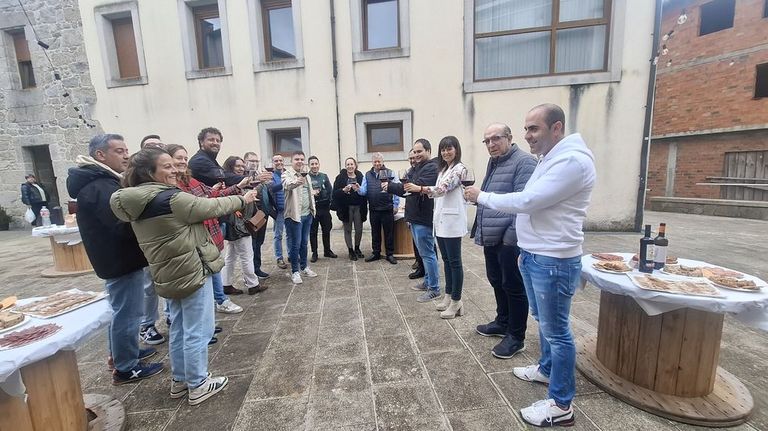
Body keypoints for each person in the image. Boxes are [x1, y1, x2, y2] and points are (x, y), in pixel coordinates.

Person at [465, 104, 596, 428]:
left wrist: (482, 196)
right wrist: (527, 248)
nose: (528, 136)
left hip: (554, 260)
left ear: (557, 128)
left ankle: (561, 405)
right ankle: (546, 369)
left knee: (558, 331)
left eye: (533, 129)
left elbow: (527, 201)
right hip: (538, 254)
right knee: (544, 321)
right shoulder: (549, 159)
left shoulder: (572, 162)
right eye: (526, 129)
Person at [111, 148, 259, 405]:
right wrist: (242, 198)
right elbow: (210, 206)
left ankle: (181, 380)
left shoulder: (136, 200)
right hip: (190, 269)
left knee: (179, 327)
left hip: (168, 272)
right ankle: (199, 383)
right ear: (149, 172)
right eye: (167, 166)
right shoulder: (170, 198)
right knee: (198, 330)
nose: (174, 170)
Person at [66, 134, 163, 384]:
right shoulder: (100, 186)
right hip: (119, 260)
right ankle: (126, 367)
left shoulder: (103, 181)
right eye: (119, 151)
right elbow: (120, 225)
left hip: (118, 258)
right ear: (100, 155)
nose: (126, 155)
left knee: (123, 311)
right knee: (127, 314)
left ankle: (122, 353)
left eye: (126, 150)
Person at [470, 123, 537, 360]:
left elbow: (523, 204)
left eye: (496, 138)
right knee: (496, 280)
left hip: (509, 240)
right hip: (491, 235)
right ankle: (502, 321)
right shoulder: (494, 162)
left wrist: (511, 240)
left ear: (509, 138)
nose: (491, 144)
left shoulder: (525, 162)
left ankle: (516, 337)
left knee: (514, 286)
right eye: (486, 140)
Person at [166, 144, 247, 316]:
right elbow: (205, 206)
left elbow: (213, 195)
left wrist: (238, 187)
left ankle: (217, 303)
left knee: (214, 267)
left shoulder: (191, 181)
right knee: (200, 286)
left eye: (185, 158)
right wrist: (241, 199)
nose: (182, 161)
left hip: (208, 236)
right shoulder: (170, 187)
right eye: (178, 158)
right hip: (191, 242)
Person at [385, 139, 439, 302]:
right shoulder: (416, 168)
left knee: (428, 254)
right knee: (423, 253)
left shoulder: (431, 167)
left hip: (423, 218)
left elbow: (412, 188)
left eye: (419, 151)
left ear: (428, 151)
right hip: (415, 216)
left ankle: (434, 289)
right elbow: (407, 190)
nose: (416, 155)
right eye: (414, 152)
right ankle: (428, 281)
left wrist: (389, 186)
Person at [423, 137, 468, 318]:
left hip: (452, 221)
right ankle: (449, 296)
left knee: (455, 262)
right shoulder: (443, 169)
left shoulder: (460, 169)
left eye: (449, 149)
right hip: (441, 221)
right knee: (447, 261)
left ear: (456, 150)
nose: (445, 152)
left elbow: (443, 189)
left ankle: (457, 301)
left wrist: (422, 189)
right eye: (442, 149)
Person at [221, 156, 266, 295]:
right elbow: (242, 203)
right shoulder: (233, 185)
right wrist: (261, 184)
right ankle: (253, 285)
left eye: (242, 166)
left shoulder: (231, 183)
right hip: (239, 225)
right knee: (246, 255)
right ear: (230, 167)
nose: (241, 168)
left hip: (232, 225)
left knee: (230, 256)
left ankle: (226, 284)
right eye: (237, 166)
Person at [282, 151, 317, 284]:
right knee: (295, 245)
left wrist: (313, 209)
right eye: (297, 159)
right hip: (294, 216)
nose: (300, 161)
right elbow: (287, 185)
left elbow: (309, 193)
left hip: (307, 214)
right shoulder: (287, 174)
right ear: (291, 161)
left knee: (304, 243)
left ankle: (304, 267)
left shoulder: (306, 175)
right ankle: (295, 271)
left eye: (302, 159)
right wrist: (298, 181)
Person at [358, 153, 399, 264]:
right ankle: (376, 252)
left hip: (387, 208)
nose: (377, 164)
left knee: (389, 233)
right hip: (374, 209)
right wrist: (358, 189)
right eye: (375, 161)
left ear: (382, 161)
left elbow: (396, 190)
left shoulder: (390, 173)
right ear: (372, 162)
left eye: (379, 161)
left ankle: (390, 254)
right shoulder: (367, 174)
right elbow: (364, 191)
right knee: (375, 232)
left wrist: (395, 205)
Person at [243, 152, 273, 278]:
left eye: (256, 161)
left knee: (259, 242)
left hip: (262, 215)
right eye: (251, 161)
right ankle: (249, 275)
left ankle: (257, 268)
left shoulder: (259, 175)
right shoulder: (244, 177)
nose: (254, 163)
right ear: (245, 162)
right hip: (252, 216)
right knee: (251, 245)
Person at [332, 158, 367, 261]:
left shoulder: (361, 177)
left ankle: (357, 248)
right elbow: (334, 193)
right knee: (347, 230)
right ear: (345, 166)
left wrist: (359, 189)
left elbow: (365, 191)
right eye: (348, 164)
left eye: (351, 164)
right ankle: (350, 250)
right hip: (346, 207)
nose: (350, 166)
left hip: (359, 207)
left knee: (359, 229)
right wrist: (343, 190)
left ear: (355, 165)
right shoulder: (340, 178)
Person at [307, 156, 337, 262]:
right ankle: (314, 253)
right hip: (313, 209)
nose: (314, 166)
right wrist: (312, 193)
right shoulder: (306, 177)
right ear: (309, 165)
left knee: (326, 230)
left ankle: (327, 251)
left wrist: (329, 203)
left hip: (324, 208)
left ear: (319, 164)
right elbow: (304, 192)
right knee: (313, 232)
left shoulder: (324, 176)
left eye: (316, 164)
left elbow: (330, 190)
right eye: (312, 164)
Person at [405, 150, 425, 280]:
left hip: (422, 215)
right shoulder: (410, 172)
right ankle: (420, 265)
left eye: (414, 157)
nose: (412, 160)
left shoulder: (422, 171)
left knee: (425, 246)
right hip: (412, 213)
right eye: (410, 158)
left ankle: (424, 269)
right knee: (416, 243)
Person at [270, 154, 291, 269]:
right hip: (278, 210)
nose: (278, 162)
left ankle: (290, 255)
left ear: (284, 162)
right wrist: (283, 183)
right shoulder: (271, 175)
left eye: (280, 160)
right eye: (276, 161)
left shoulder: (288, 173)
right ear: (273, 163)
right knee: (278, 235)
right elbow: (271, 188)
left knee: (289, 234)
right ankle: (279, 258)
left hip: (289, 208)